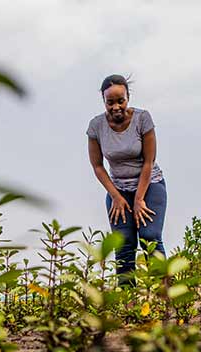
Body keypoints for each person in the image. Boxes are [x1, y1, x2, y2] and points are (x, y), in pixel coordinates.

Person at [86, 74, 167, 286]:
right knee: (123, 244)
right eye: (110, 102)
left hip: (149, 185)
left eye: (120, 100)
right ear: (104, 102)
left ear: (127, 98)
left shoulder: (143, 119)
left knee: (150, 237)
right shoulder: (96, 126)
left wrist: (139, 199)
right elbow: (97, 166)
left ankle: (163, 295)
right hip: (118, 190)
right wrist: (116, 196)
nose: (116, 107)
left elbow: (149, 161)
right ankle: (127, 301)